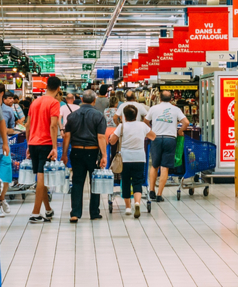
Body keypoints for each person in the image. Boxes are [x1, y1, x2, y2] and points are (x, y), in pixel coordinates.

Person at [63, 90, 108, 222]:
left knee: (77, 182)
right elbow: (101, 137)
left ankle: (75, 213)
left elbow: (67, 137)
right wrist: (104, 155)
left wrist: (65, 154)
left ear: (82, 99)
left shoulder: (72, 116)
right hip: (92, 152)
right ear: (94, 101)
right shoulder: (99, 116)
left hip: (76, 152)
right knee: (94, 182)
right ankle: (94, 212)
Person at [26, 75, 62, 223]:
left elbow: (27, 125)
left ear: (46, 86)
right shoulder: (54, 103)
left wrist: (28, 144)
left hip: (33, 143)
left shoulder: (34, 102)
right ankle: (35, 213)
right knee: (41, 178)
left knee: (42, 178)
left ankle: (47, 209)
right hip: (45, 143)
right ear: (59, 88)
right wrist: (54, 147)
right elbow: (53, 125)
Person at [109, 104, 153, 217]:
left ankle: (128, 208)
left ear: (124, 116)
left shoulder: (122, 127)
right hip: (139, 158)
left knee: (126, 182)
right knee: (138, 181)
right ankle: (137, 203)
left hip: (125, 158)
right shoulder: (142, 125)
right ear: (136, 115)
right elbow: (153, 136)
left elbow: (112, 141)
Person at [145, 90, 188, 202]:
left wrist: (150, 129)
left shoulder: (153, 108)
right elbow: (186, 122)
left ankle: (152, 190)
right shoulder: (176, 109)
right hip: (170, 139)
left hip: (156, 138)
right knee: (165, 167)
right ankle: (159, 195)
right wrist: (180, 131)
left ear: (159, 98)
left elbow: (146, 120)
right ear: (171, 99)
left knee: (154, 165)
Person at [0, 82, 18, 213]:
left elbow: (13, 129)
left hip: (4, 147)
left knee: (6, 177)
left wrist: (3, 129)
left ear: (1, 93)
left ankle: (1, 199)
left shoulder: (8, 111)